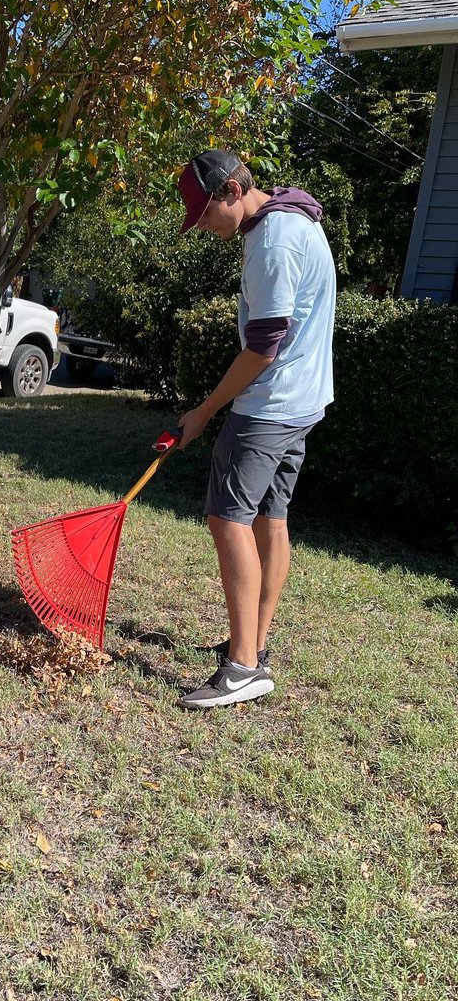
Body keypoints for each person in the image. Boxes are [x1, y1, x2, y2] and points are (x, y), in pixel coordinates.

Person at [173, 149, 336, 709]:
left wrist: (206, 410)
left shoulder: (273, 242)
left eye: (203, 214)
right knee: (272, 515)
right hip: (303, 402)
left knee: (227, 518)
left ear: (230, 192)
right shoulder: (290, 218)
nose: (202, 227)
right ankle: (255, 645)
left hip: (270, 406)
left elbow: (263, 348)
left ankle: (242, 667)